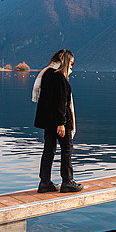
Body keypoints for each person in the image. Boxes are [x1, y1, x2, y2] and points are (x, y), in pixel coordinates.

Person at [33, 49, 83, 193]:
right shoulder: (59, 77)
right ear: (66, 61)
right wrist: (61, 123)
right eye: (72, 63)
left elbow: (48, 101)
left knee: (49, 150)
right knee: (67, 149)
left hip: (48, 121)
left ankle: (45, 182)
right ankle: (67, 182)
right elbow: (60, 102)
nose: (72, 66)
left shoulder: (47, 74)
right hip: (60, 122)